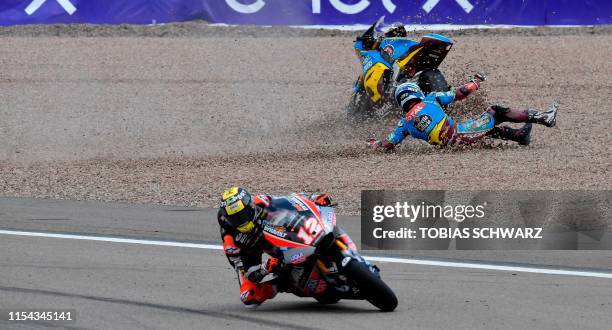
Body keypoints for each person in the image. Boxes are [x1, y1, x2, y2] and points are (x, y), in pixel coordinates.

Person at [217, 187, 336, 307]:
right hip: (248, 250)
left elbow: (289, 199)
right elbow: (249, 274)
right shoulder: (231, 242)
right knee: (249, 296)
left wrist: (314, 198)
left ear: (250, 206)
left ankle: (305, 247)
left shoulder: (260, 202)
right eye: (235, 219)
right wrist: (265, 268)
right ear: (228, 219)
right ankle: (283, 284)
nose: (241, 221)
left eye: (243, 215)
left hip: (272, 232)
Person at [369, 74, 558, 150]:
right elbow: (461, 93)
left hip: (449, 145)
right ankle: (544, 117)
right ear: (415, 92)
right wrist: (475, 82)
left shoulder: (404, 123)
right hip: (461, 135)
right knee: (495, 112)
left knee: (481, 128)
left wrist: (374, 144)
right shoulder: (430, 99)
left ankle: (519, 135)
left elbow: (387, 144)